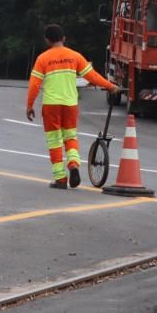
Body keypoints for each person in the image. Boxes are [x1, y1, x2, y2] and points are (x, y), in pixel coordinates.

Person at [26, 24, 120, 189]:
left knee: (54, 141)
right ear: (63, 39)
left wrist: (29, 105)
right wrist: (110, 86)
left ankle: (60, 178)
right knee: (70, 137)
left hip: (51, 105)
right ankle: (74, 164)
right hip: (70, 104)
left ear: (47, 40)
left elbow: (34, 84)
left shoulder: (43, 58)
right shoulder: (75, 56)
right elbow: (92, 76)